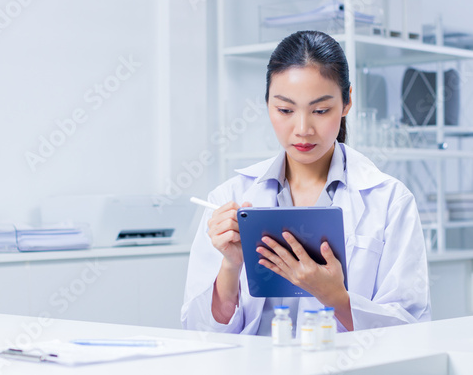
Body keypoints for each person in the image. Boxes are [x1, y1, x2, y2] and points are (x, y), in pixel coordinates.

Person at [181, 30, 431, 335]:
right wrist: (231, 267)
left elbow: (411, 330)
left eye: (321, 110)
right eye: (285, 110)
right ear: (267, 104)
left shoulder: (390, 201)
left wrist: (336, 297)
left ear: (347, 102)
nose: (302, 129)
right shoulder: (229, 197)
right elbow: (198, 332)